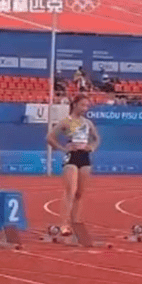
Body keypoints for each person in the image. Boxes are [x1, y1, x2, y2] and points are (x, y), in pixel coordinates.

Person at [46, 94, 100, 235]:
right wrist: (63, 148)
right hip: (71, 157)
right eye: (83, 105)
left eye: (87, 106)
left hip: (85, 157)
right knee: (70, 191)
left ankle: (75, 223)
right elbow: (50, 137)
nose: (85, 108)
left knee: (79, 193)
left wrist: (92, 147)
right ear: (75, 105)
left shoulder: (87, 123)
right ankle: (64, 224)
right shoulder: (66, 121)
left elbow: (96, 138)